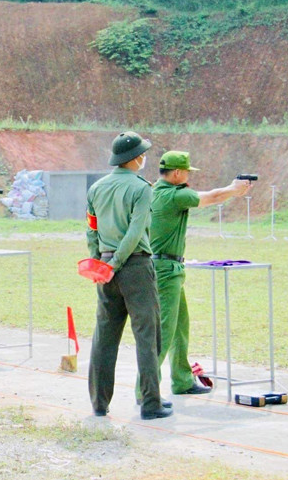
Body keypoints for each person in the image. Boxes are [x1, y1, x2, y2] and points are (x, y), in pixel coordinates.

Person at [141, 150, 251, 398]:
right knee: (164, 332)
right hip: (165, 270)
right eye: (187, 171)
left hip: (167, 267)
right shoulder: (173, 194)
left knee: (179, 328)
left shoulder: (154, 191)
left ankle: (181, 380)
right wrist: (234, 189)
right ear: (177, 173)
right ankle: (146, 391)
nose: (188, 176)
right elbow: (211, 197)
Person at [86, 132, 172, 420]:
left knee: (105, 336)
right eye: (142, 154)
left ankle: (99, 403)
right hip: (134, 267)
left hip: (106, 265)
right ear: (135, 158)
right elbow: (136, 232)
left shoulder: (96, 188)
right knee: (147, 335)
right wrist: (118, 262)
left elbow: (92, 229)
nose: (144, 158)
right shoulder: (141, 188)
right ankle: (151, 402)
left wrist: (101, 262)